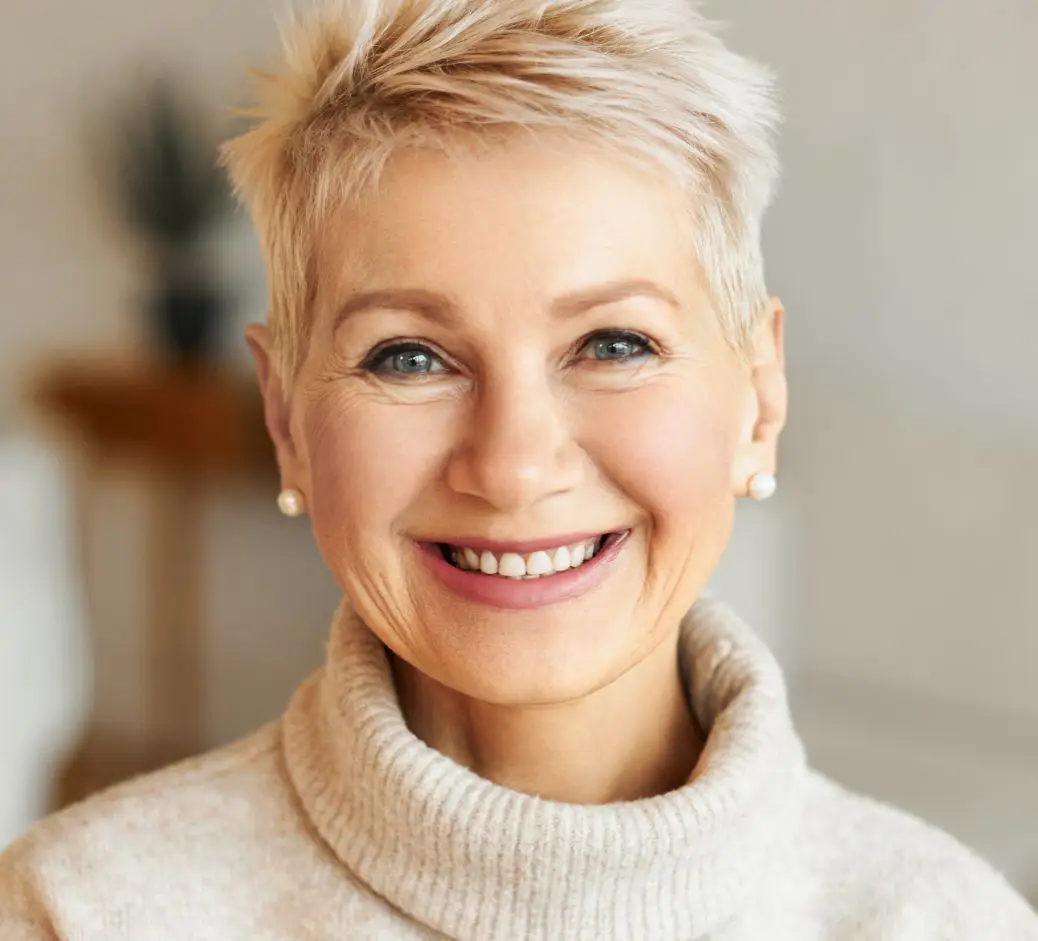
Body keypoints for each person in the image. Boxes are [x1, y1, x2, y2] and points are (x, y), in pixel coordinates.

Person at [2, 1, 1036, 938]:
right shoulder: (79, 909)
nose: (511, 465)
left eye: (613, 344)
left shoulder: (947, 920)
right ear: (284, 417)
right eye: (408, 356)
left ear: (759, 396)